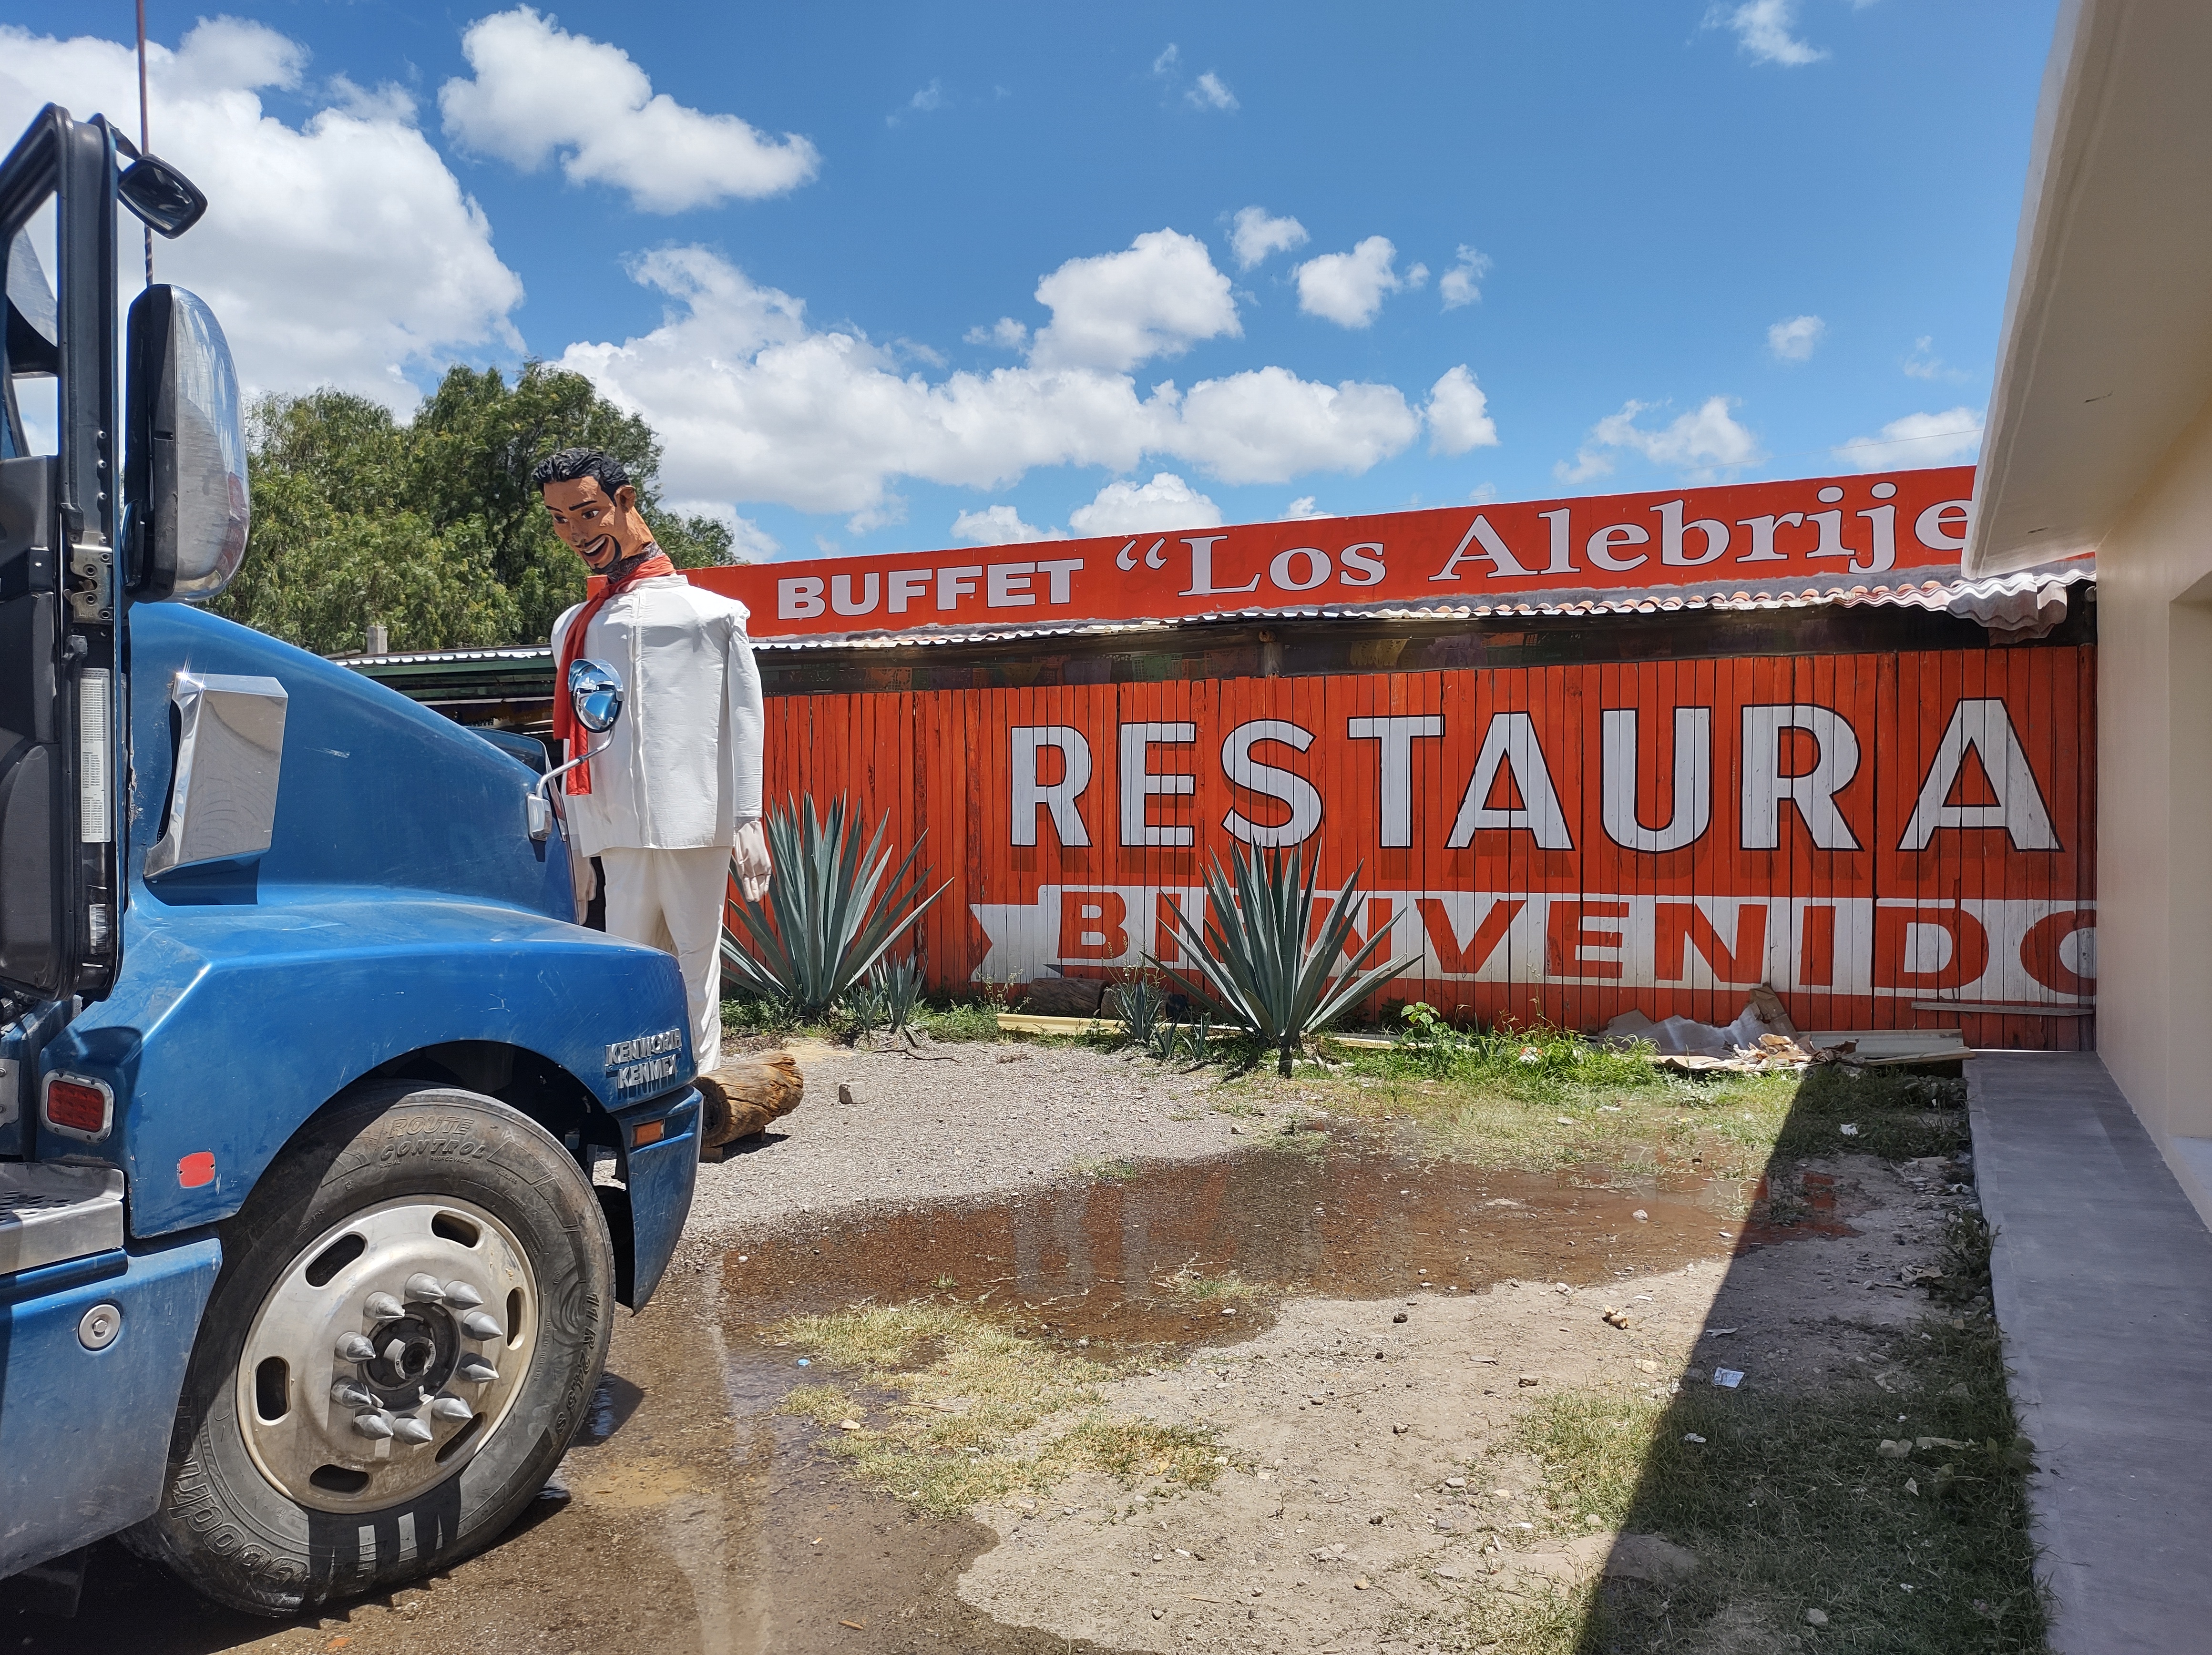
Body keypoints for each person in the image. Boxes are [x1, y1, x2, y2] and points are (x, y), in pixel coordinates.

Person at [536, 446, 770, 1080]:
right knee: (629, 964)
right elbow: (578, 736)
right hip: (617, 826)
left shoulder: (714, 616)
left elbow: (744, 716)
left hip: (695, 821)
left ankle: (701, 1088)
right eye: (560, 519)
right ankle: (641, 1089)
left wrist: (747, 813)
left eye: (586, 512)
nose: (576, 533)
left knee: (696, 959)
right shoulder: (575, 627)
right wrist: (579, 838)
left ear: (625, 501)